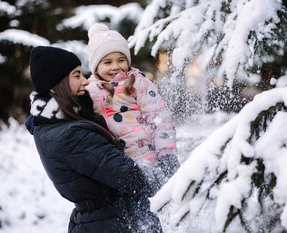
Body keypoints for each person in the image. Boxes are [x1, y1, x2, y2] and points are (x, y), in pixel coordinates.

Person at [25, 46, 163, 233]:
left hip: (98, 220)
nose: (85, 81)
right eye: (77, 75)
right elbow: (128, 176)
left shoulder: (47, 123)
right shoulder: (72, 135)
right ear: (54, 84)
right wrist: (164, 177)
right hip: (108, 223)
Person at [86, 23, 180, 189]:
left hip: (146, 159)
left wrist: (166, 153)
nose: (115, 66)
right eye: (107, 62)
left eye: (121, 60)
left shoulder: (138, 83)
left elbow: (159, 117)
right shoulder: (88, 90)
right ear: (95, 67)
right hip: (115, 166)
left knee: (147, 209)